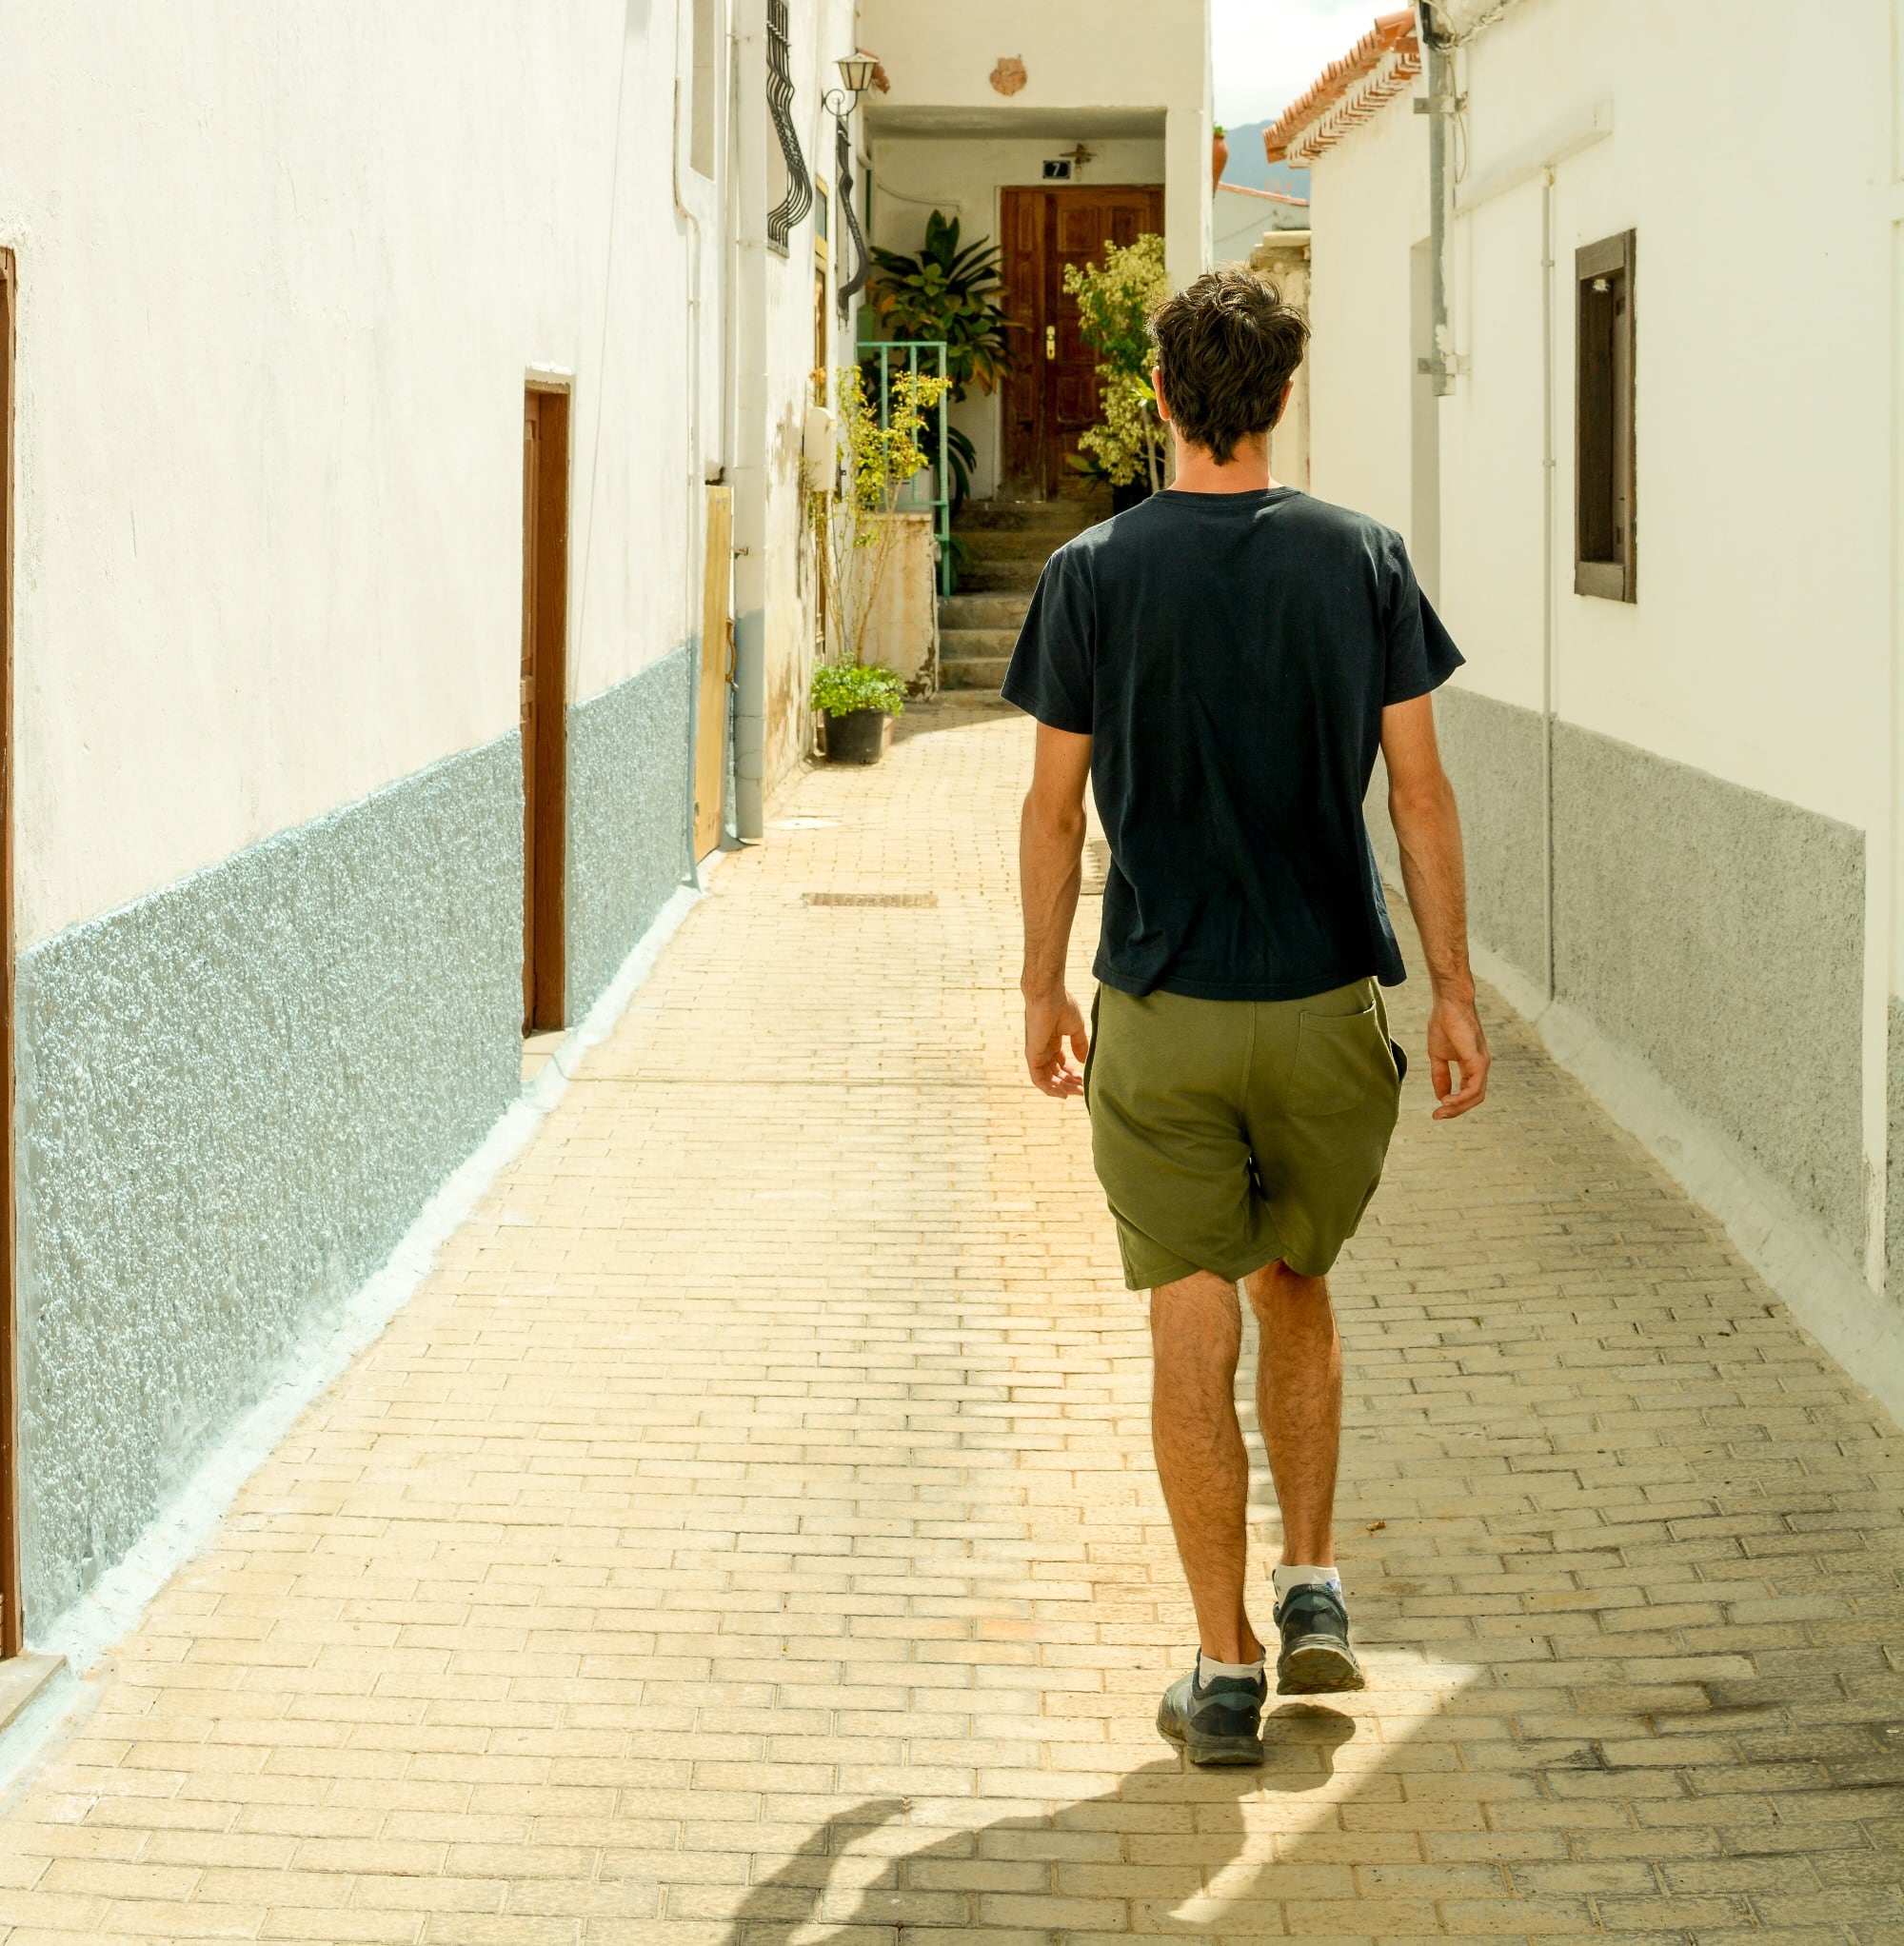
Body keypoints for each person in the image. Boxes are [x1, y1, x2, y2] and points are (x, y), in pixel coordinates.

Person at [1003, 267, 1489, 1768]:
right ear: (1283, 396)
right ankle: (1316, 1587)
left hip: (1161, 1007)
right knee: (1297, 1282)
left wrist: (1037, 982)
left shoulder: (1091, 574)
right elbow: (1417, 791)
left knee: (1187, 1324)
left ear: (1160, 398)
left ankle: (1223, 1675)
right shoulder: (1364, 562)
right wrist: (1456, 988)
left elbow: (1052, 803)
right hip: (1326, 1005)